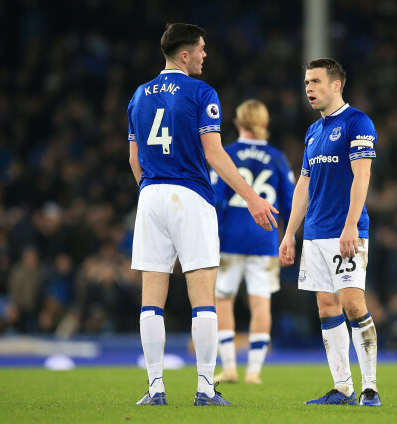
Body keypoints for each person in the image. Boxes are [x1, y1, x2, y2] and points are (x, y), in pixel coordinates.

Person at [127, 23, 278, 406]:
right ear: (184, 54)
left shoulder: (139, 96)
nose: (205, 55)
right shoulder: (201, 92)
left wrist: (152, 191)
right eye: (201, 49)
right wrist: (254, 198)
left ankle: (155, 388)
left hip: (150, 195)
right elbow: (213, 153)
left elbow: (133, 160)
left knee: (151, 298)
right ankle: (206, 388)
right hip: (190, 196)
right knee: (203, 298)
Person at [279, 58, 382, 406]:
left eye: (316, 82)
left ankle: (370, 388)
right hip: (315, 234)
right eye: (307, 82)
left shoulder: (358, 122)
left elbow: (362, 176)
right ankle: (343, 388)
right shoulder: (313, 131)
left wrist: (351, 224)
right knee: (326, 307)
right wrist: (290, 233)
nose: (309, 88)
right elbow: (303, 187)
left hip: (345, 231)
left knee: (353, 305)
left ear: (336, 85)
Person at [210, 99, 294, 385]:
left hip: (228, 239)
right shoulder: (278, 157)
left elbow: (216, 199)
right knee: (261, 305)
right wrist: (288, 237)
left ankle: (230, 367)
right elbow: (290, 202)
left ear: (238, 122)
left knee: (223, 301)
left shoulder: (226, 154)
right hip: (265, 239)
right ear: (265, 124)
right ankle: (254, 371)